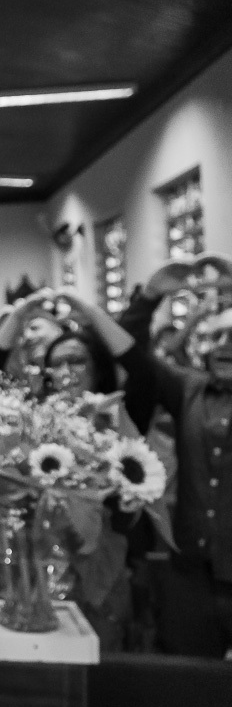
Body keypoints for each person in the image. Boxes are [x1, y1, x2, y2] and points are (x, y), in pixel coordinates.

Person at [119, 259, 232, 657]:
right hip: (190, 572)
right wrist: (148, 299)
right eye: (214, 337)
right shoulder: (190, 390)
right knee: (188, 687)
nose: (223, 347)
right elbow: (132, 356)